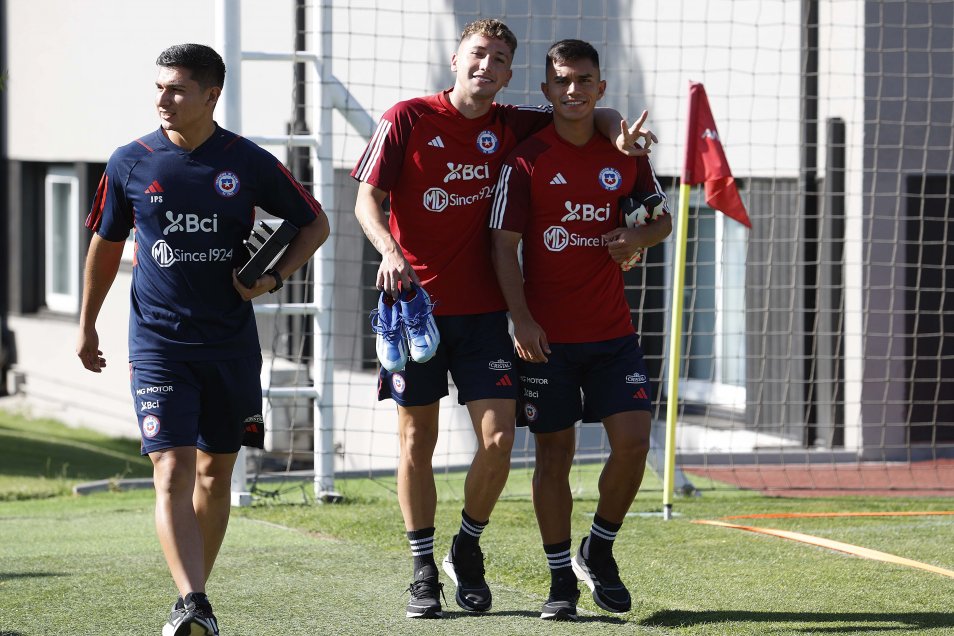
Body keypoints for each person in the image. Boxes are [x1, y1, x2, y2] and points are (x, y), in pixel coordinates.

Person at [352, 18, 655, 619]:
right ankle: (421, 571)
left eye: (497, 59)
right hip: (416, 312)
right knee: (418, 439)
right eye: (477, 55)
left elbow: (585, 109)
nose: (485, 66)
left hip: (489, 315)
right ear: (457, 58)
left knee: (497, 440)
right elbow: (366, 198)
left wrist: (621, 140)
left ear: (512, 75)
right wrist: (389, 251)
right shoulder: (407, 117)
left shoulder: (515, 124)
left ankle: (466, 547)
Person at [76, 43, 329, 636]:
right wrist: (87, 323)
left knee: (218, 475)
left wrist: (271, 277)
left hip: (232, 347)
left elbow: (313, 221)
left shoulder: (246, 161)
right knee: (172, 468)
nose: (163, 99)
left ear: (211, 95)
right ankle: (192, 600)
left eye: (178, 89)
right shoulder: (130, 161)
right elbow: (105, 246)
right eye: (159, 87)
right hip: (159, 345)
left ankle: (193, 604)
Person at [489, 39, 672, 621]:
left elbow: (660, 217)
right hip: (548, 340)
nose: (573, 90)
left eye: (584, 80)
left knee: (635, 444)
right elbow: (502, 248)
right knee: (555, 457)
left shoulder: (626, 152)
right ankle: (559, 579)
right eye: (562, 81)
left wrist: (638, 238)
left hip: (613, 334)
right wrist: (521, 318)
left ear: (601, 87)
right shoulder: (527, 159)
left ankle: (601, 548)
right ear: (546, 92)